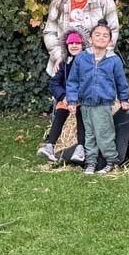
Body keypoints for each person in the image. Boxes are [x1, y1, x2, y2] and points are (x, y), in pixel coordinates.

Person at [66, 20, 129, 175]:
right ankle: (91, 162)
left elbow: (121, 81)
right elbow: (73, 81)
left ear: (110, 41)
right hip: (86, 102)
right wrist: (72, 100)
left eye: (105, 36)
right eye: (97, 34)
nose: (101, 38)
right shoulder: (81, 58)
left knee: (104, 132)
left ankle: (111, 160)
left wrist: (124, 99)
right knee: (89, 134)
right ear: (90, 39)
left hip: (103, 103)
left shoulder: (113, 60)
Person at [43, 0, 119, 76]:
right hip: (66, 64)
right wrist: (59, 55)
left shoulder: (104, 0)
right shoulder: (58, 4)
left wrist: (100, 57)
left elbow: (113, 30)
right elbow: (49, 32)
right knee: (64, 94)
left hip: (97, 65)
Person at [37, 29, 87, 164]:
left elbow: (88, 83)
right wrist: (63, 96)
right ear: (66, 46)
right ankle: (50, 146)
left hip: (83, 100)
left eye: (77, 43)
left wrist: (76, 99)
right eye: (71, 43)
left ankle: (81, 148)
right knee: (60, 113)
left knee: (81, 115)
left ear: (83, 45)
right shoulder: (65, 63)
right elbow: (54, 83)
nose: (74, 46)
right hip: (66, 98)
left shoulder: (88, 63)